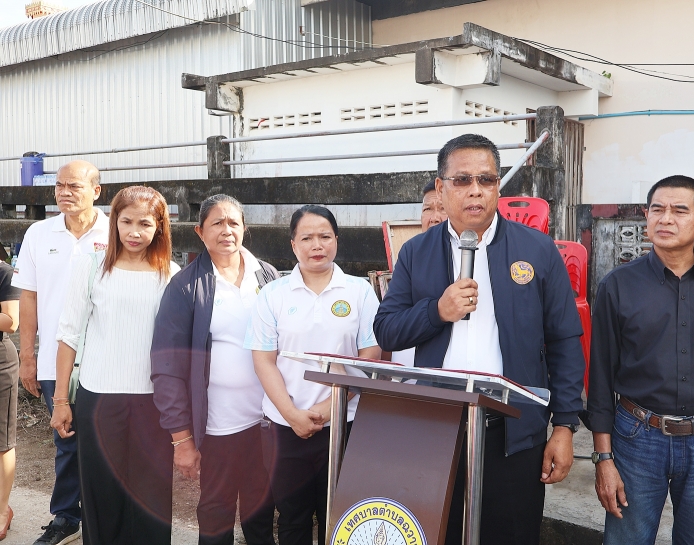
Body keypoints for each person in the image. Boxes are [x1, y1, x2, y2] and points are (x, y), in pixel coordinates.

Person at [373, 133, 585, 545]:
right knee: (440, 532)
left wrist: (564, 426)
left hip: (513, 430)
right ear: (441, 188)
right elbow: (388, 329)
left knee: (511, 535)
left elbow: (564, 342)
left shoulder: (537, 250)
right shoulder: (416, 252)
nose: (475, 190)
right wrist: (437, 311)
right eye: (462, 180)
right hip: (437, 428)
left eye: (486, 180)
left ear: (498, 186)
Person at [584, 175, 694, 545]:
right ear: (646, 216)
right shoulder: (618, 285)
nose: (665, 218)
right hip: (637, 438)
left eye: (679, 210)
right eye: (657, 209)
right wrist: (604, 460)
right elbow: (600, 377)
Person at [50, 186, 180, 545]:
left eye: (145, 224)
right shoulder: (91, 266)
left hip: (153, 402)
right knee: (101, 494)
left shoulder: (170, 273)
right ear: (114, 222)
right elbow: (68, 335)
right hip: (99, 398)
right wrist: (61, 400)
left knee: (151, 497)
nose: (134, 232)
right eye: (126, 222)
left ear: (159, 226)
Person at [245, 205, 382, 545]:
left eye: (324, 236)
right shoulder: (273, 294)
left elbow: (370, 358)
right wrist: (292, 414)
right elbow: (264, 361)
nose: (316, 245)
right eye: (306, 238)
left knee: (341, 519)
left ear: (336, 240)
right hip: (285, 427)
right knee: (293, 519)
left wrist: (326, 409)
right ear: (293, 244)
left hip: (344, 423)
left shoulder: (359, 291)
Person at [151, 194, 278, 545]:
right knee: (216, 512)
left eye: (233, 222)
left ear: (244, 228)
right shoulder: (186, 286)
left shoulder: (266, 275)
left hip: (265, 421)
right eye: (217, 223)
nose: (226, 230)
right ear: (200, 231)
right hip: (219, 427)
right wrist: (182, 440)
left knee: (261, 511)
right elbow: (166, 368)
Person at [12, 159, 109, 545]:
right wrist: (28, 356)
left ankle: (105, 517)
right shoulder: (39, 233)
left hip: (106, 359)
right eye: (59, 186)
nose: (64, 193)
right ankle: (67, 517)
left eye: (74, 186)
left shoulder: (116, 231)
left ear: (96, 191)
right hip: (56, 359)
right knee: (66, 440)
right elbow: (29, 298)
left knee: (105, 443)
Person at [390, 180, 447, 366]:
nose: (434, 218)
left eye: (443, 209)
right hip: (409, 366)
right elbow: (388, 326)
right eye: (427, 209)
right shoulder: (410, 254)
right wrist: (436, 311)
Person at [0, 261, 19, 541]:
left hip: (1, 363)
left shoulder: (4, 271)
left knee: (2, 441)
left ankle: (2, 509)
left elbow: (11, 321)